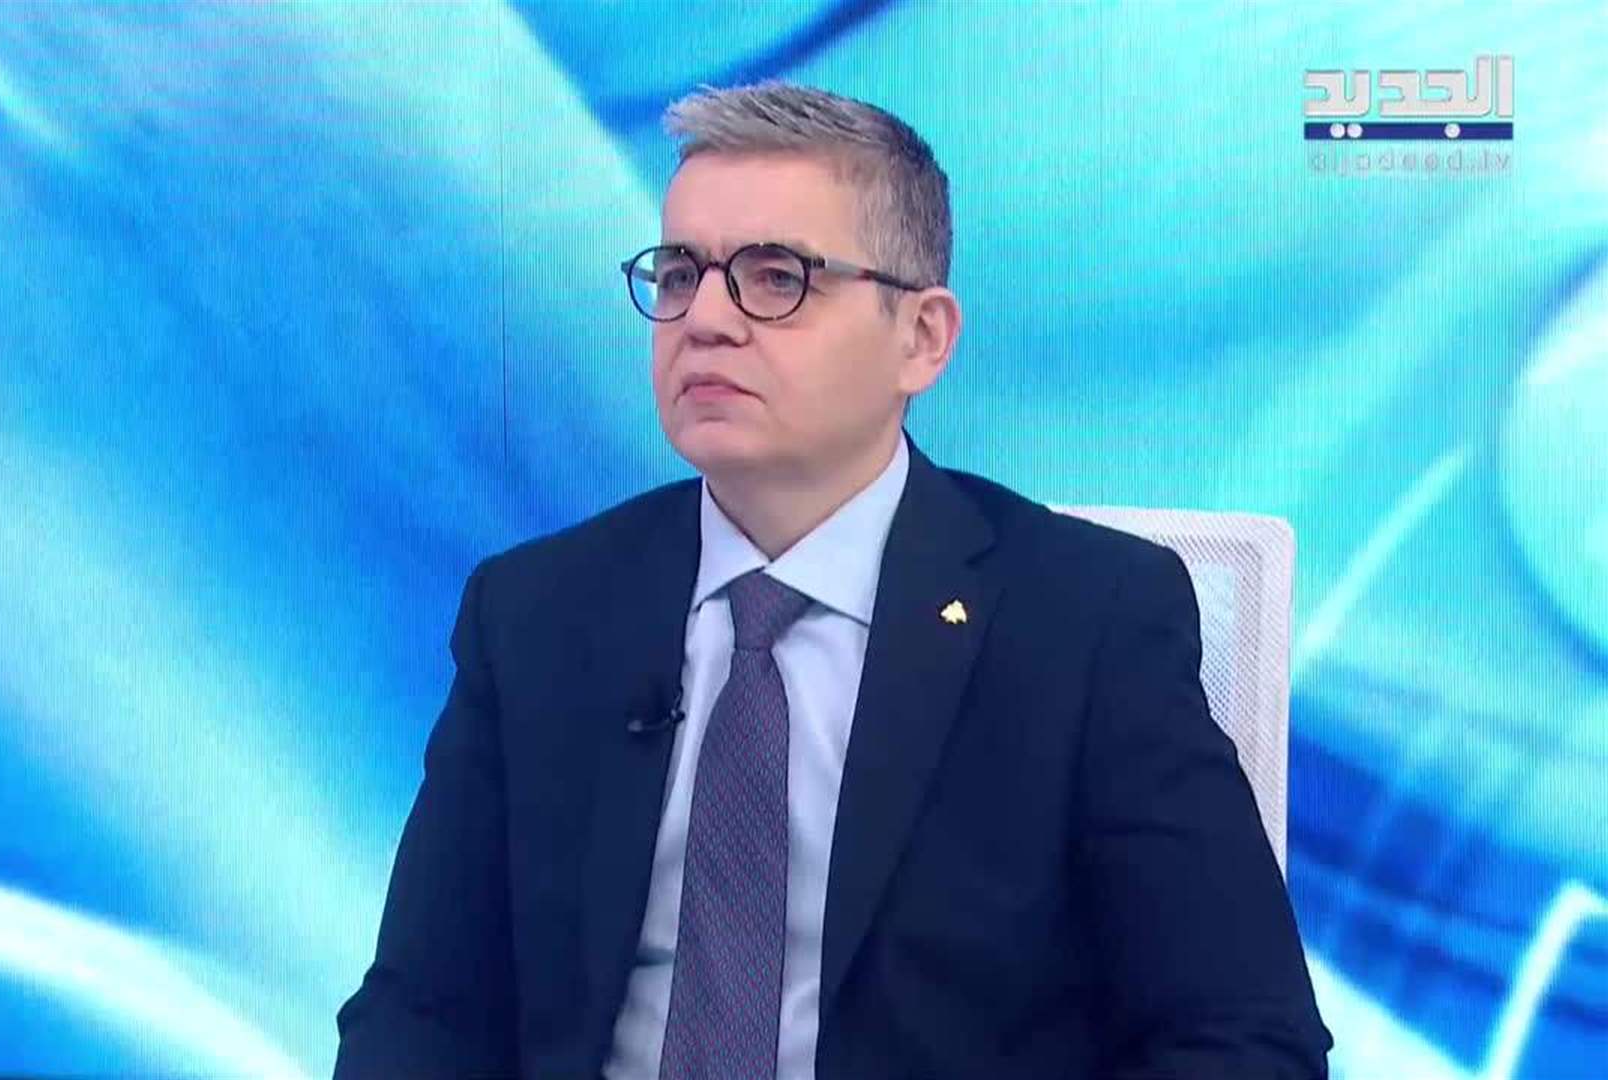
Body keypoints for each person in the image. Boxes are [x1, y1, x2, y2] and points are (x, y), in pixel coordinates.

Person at [334, 81, 1331, 1079]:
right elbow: (420, 1014)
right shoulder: (537, 614)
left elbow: (1246, 1041)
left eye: (776, 277)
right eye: (678, 274)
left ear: (922, 338)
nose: (705, 319)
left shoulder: (1084, 621)